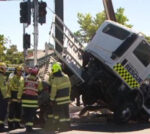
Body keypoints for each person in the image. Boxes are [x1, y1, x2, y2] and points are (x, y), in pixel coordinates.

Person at [45, 62, 71, 132]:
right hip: (66, 99)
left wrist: (51, 100)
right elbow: (69, 88)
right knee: (66, 113)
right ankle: (68, 126)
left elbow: (53, 91)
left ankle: (63, 128)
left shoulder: (55, 79)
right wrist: (68, 97)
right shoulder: (66, 77)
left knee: (61, 114)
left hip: (59, 100)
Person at [17, 67, 43, 133]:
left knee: (26, 114)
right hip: (33, 100)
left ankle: (27, 128)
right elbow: (40, 89)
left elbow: (20, 89)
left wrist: (19, 97)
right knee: (31, 115)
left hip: (25, 100)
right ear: (36, 73)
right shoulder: (38, 80)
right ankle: (30, 128)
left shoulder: (24, 78)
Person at [8, 65, 24, 130]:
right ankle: (10, 125)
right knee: (11, 112)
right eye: (19, 71)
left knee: (18, 112)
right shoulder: (12, 78)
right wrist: (9, 97)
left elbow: (22, 89)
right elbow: (9, 88)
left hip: (19, 98)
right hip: (13, 96)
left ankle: (17, 124)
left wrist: (20, 97)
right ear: (16, 71)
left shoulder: (22, 79)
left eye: (21, 71)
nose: (20, 72)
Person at [0, 62, 9, 132]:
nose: (6, 70)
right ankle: (1, 127)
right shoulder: (1, 77)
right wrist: (6, 96)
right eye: (5, 68)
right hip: (2, 97)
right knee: (2, 112)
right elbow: (3, 88)